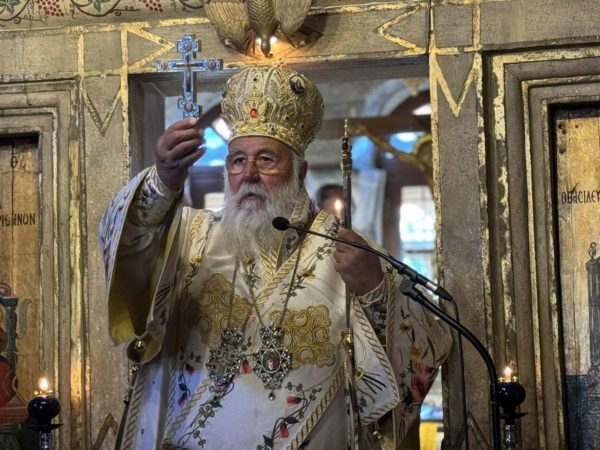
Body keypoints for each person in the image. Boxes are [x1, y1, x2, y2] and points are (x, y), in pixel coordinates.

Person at [99, 66, 451, 450]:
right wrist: (163, 180)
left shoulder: (347, 251)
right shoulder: (191, 235)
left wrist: (375, 290)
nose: (248, 174)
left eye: (266, 159)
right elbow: (131, 244)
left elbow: (427, 345)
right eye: (237, 161)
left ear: (300, 172)